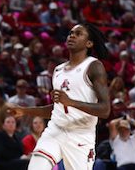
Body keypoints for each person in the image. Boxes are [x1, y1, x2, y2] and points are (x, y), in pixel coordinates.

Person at [7, 23, 111, 170]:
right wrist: (24, 111)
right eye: (71, 33)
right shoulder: (58, 70)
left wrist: (71, 102)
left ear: (89, 43)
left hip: (80, 134)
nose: (72, 36)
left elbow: (105, 110)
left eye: (78, 34)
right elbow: (57, 109)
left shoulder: (93, 66)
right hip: (55, 129)